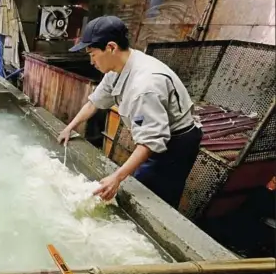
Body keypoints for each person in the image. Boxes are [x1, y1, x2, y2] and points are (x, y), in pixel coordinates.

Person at [57, 15, 202, 209]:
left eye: (92, 54)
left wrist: (116, 177)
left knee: (153, 197)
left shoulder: (145, 84)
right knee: (137, 184)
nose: (91, 62)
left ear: (111, 47)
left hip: (177, 142)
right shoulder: (116, 69)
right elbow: (94, 103)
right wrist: (69, 128)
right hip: (156, 135)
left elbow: (150, 142)